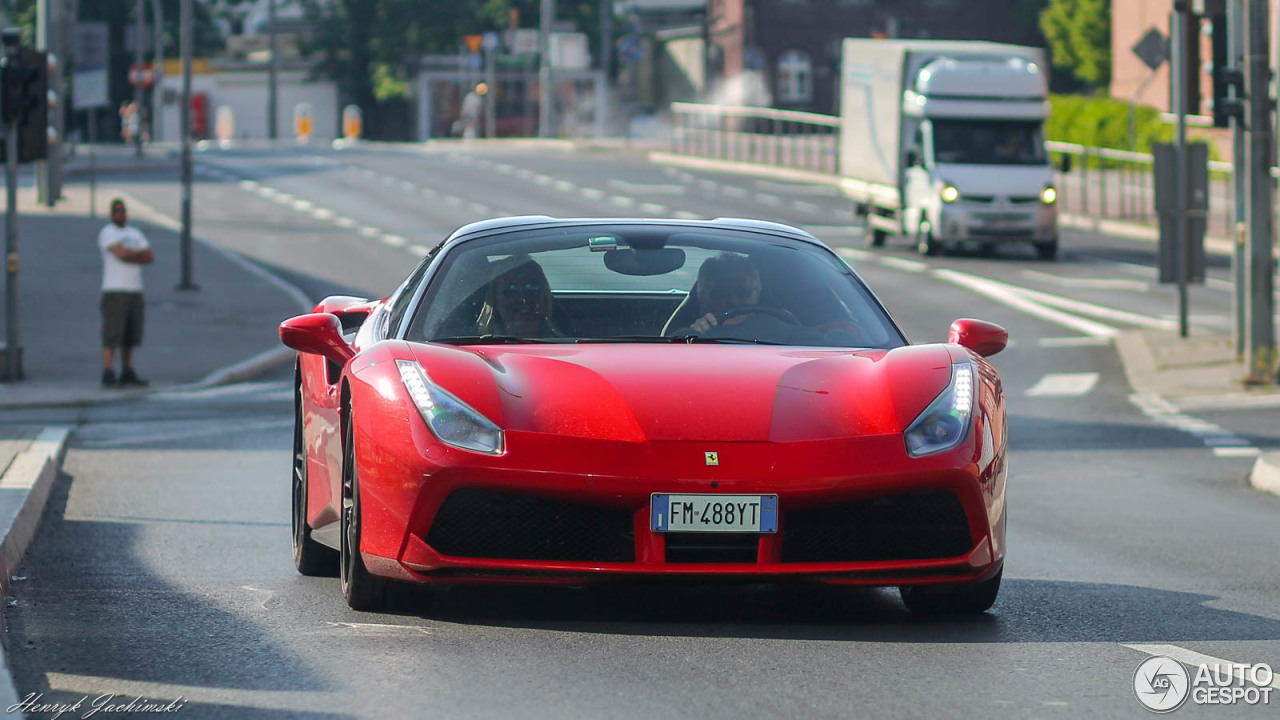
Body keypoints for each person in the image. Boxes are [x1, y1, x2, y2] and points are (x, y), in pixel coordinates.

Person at [98, 199, 154, 387]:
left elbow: (149, 256)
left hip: (134, 289)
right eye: (117, 211)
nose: (120, 214)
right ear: (112, 213)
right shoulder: (107, 232)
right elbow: (120, 254)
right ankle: (108, 370)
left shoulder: (135, 233)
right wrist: (134, 255)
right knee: (112, 332)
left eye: (123, 211)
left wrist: (131, 255)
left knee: (131, 333)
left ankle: (127, 369)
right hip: (114, 289)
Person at [476, 255, 558, 337]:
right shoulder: (469, 343)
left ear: (545, 298)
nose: (523, 300)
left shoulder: (566, 345)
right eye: (512, 291)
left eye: (532, 289)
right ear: (495, 300)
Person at [687, 252, 763, 334]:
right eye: (721, 292)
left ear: (757, 296)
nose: (734, 301)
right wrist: (695, 337)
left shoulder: (775, 335)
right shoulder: (690, 340)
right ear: (702, 298)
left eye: (742, 292)